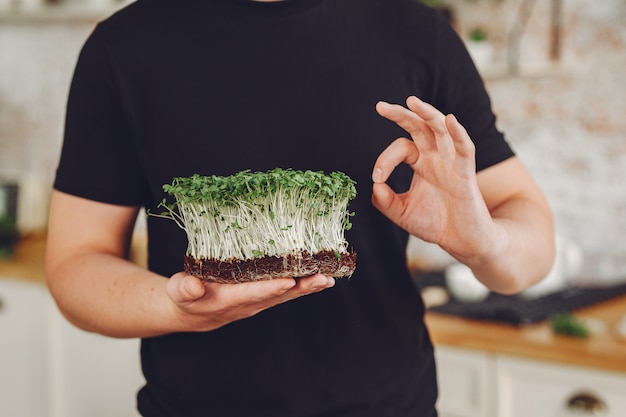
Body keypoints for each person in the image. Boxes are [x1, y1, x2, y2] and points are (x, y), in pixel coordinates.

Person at [45, 0, 555, 416]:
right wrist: (175, 306)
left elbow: (528, 248)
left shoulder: (420, 33)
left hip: (393, 406)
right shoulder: (124, 46)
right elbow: (74, 265)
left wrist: (483, 242)